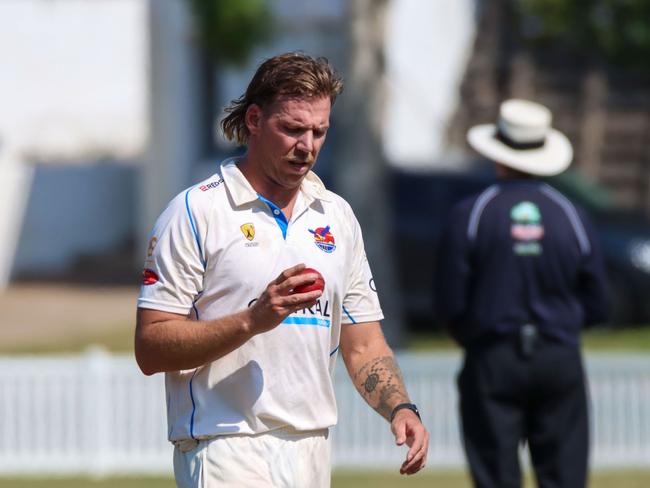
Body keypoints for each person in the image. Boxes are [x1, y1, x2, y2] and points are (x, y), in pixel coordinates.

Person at [135, 52, 428, 487]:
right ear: (254, 119)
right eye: (292, 129)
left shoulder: (337, 216)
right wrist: (253, 320)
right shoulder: (196, 211)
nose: (307, 145)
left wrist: (401, 407)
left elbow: (364, 344)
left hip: (311, 449)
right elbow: (151, 347)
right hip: (225, 445)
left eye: (319, 131)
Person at [436, 99, 610, 488]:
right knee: (564, 476)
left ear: (498, 154)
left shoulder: (473, 213)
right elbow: (599, 302)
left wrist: (472, 334)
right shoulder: (570, 214)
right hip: (557, 356)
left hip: (492, 356)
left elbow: (449, 300)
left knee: (496, 476)